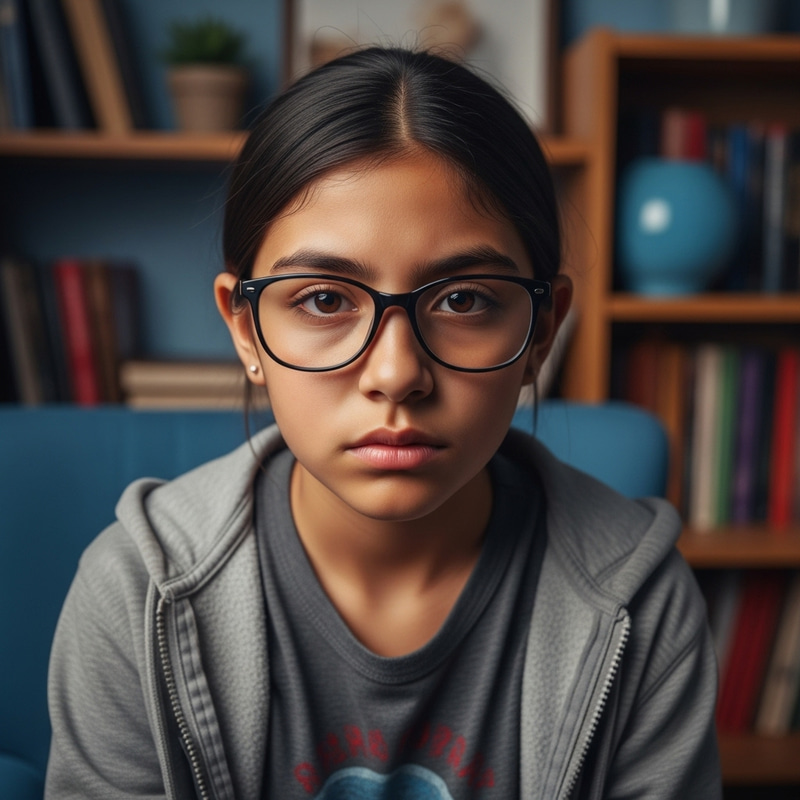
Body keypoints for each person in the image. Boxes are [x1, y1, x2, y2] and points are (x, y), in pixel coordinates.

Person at [45, 47, 721, 799]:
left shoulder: (642, 604)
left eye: (464, 299)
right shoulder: (135, 593)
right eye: (326, 300)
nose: (396, 373)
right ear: (244, 330)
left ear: (541, 332)